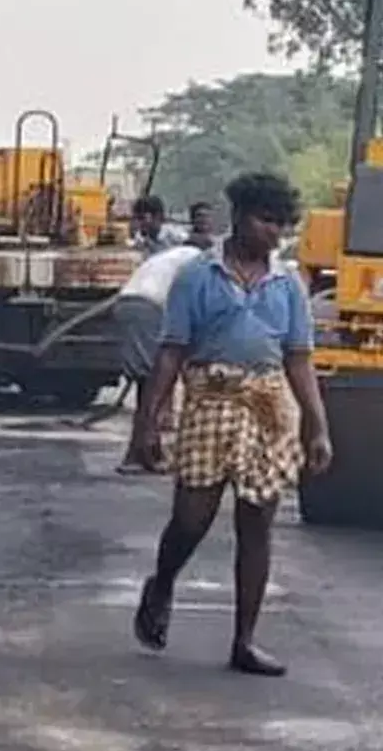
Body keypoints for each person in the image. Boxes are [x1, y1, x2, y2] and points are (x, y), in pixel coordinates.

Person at [132, 171, 334, 676]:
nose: (275, 233)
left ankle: (244, 641)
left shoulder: (289, 285)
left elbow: (299, 359)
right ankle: (162, 584)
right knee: (191, 519)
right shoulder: (198, 277)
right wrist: (149, 423)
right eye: (267, 221)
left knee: (258, 523)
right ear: (240, 218)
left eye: (283, 224)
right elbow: (171, 352)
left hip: (268, 408)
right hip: (209, 402)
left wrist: (317, 427)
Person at [110, 236, 208, 472]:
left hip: (128, 304)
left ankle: (148, 453)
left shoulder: (174, 256)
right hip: (148, 307)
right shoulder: (198, 262)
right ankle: (138, 454)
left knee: (150, 386)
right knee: (153, 386)